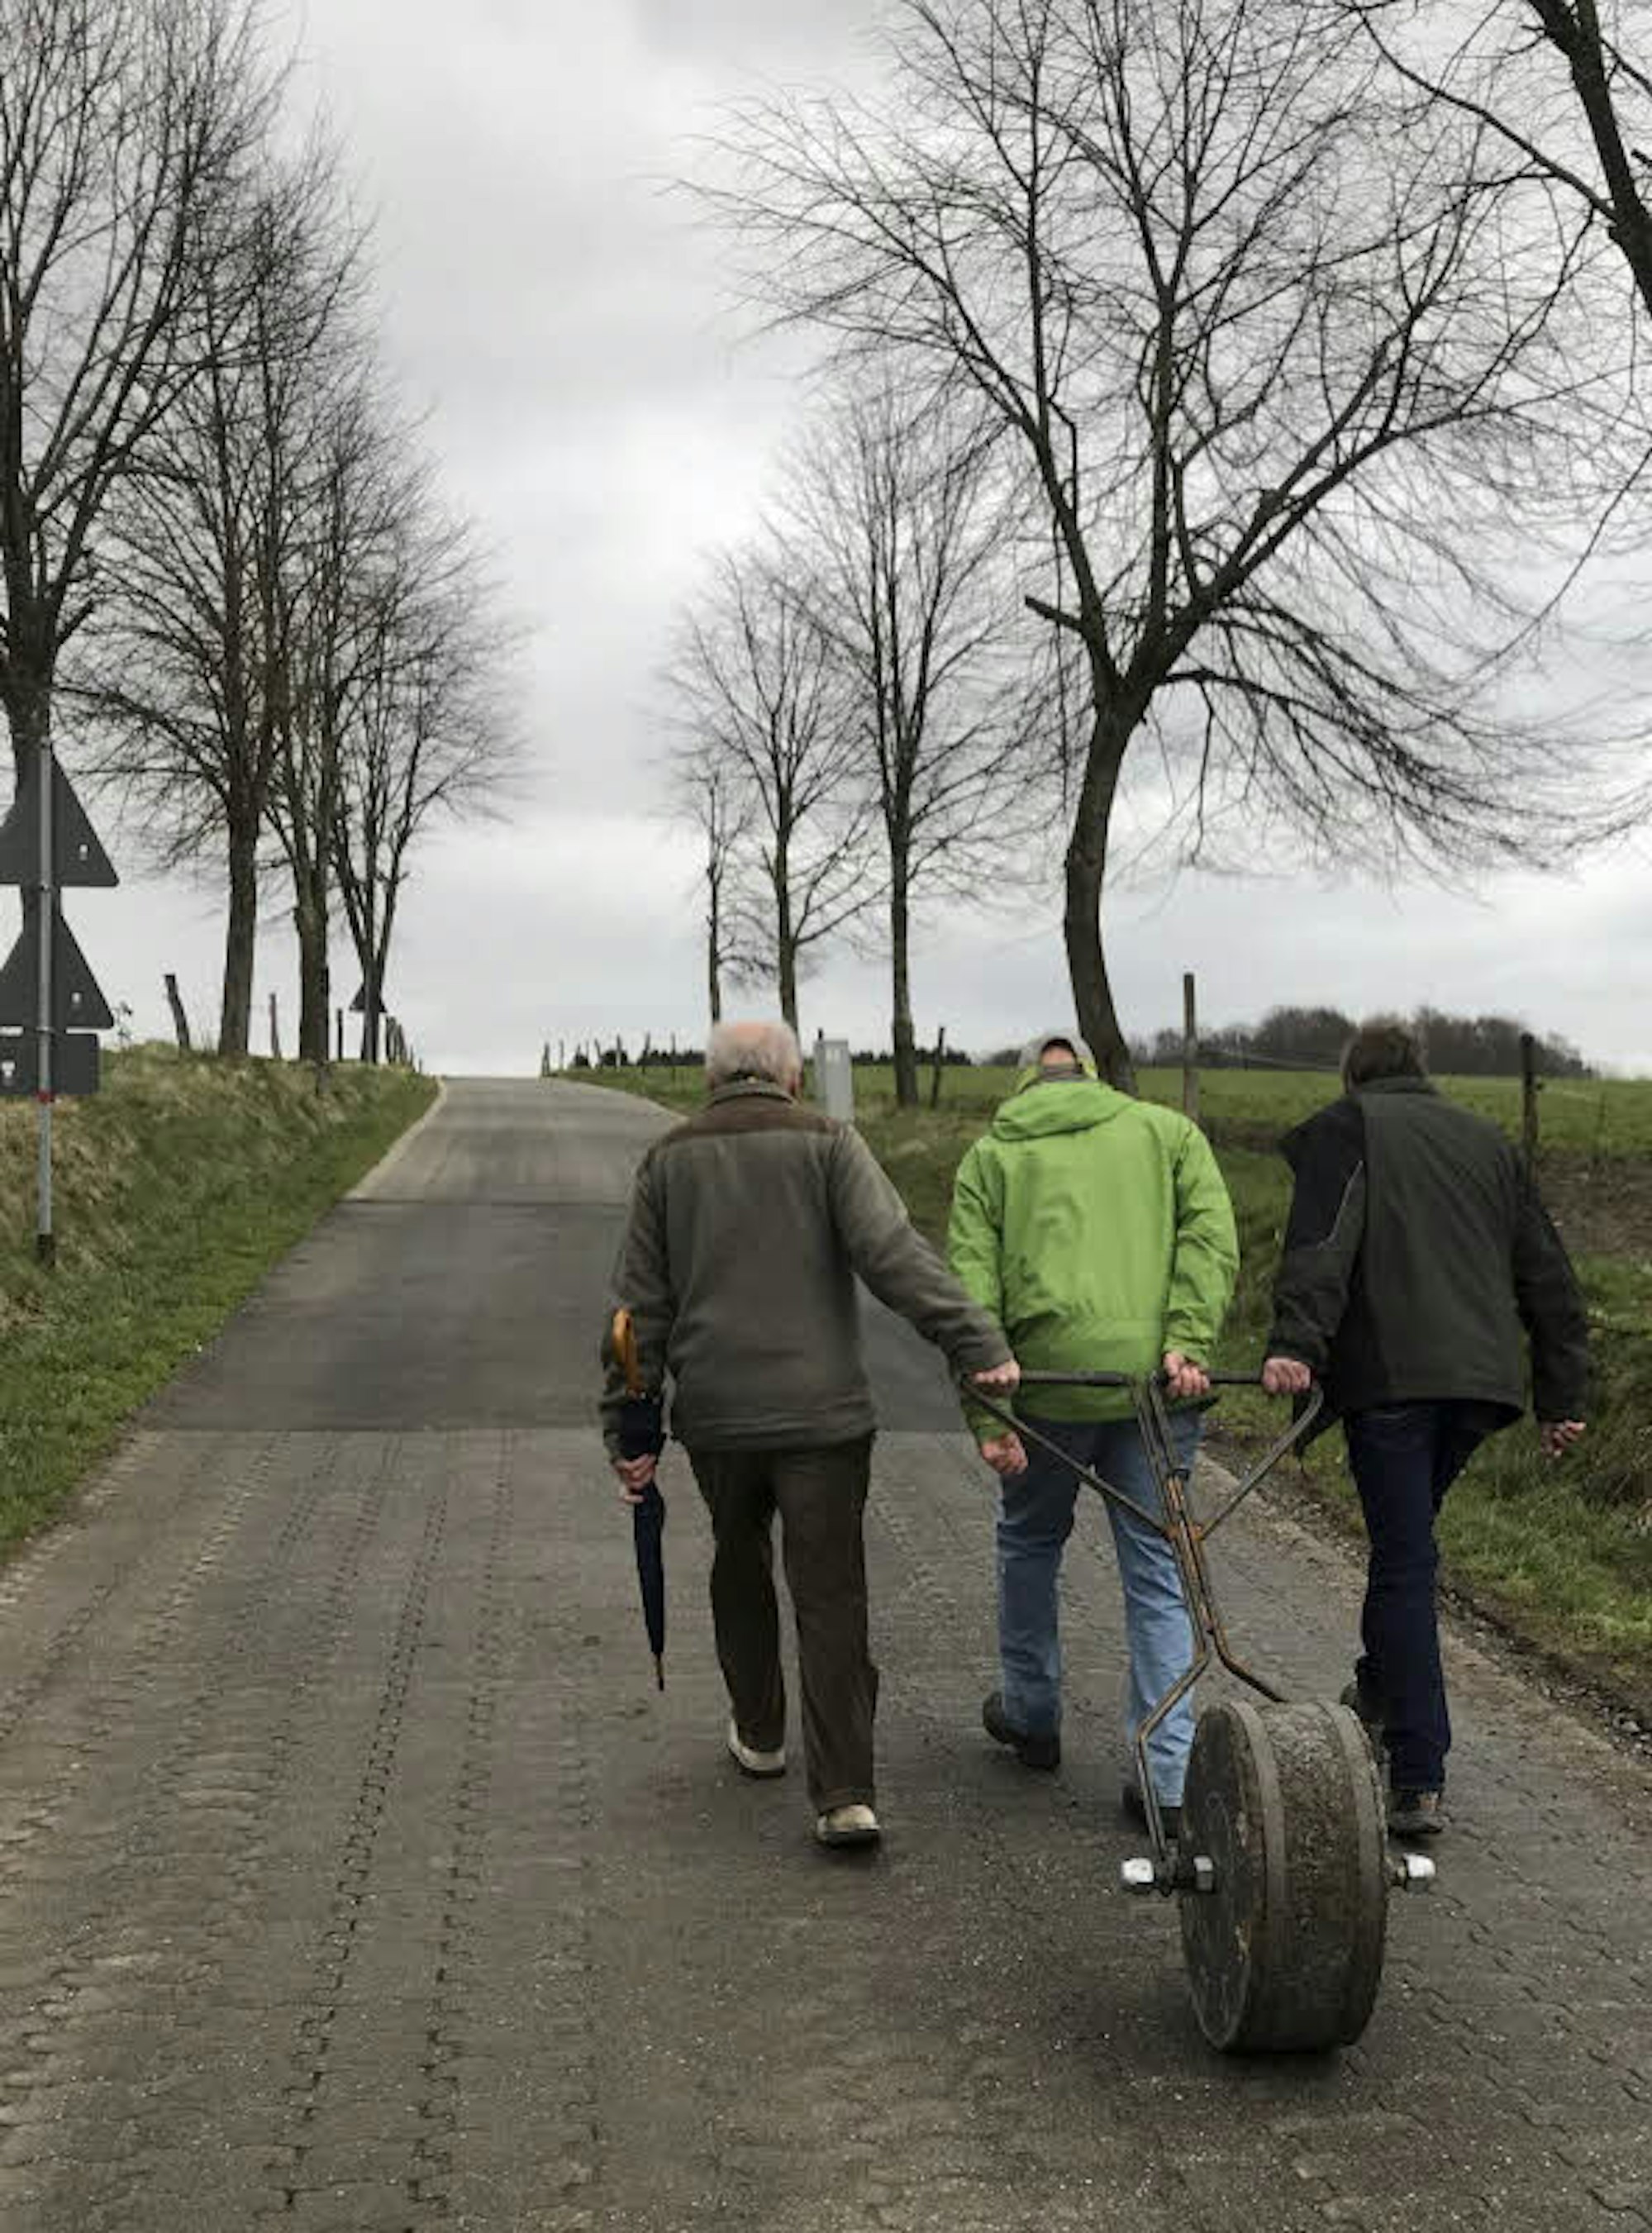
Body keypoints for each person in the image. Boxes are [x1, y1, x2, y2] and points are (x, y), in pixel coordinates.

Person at [601, 1019, 1019, 1851]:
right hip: (824, 1417)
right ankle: (844, 1794)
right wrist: (975, 1342)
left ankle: (760, 1731)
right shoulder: (830, 1143)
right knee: (830, 1592)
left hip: (718, 1414)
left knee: (737, 1562)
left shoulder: (668, 1160)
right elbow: (892, 1254)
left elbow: (636, 1310)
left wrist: (628, 1425)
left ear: (710, 1080)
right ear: (792, 1077)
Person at [1262, 1018, 1588, 1840]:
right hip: (1480, 1386)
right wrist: (1560, 1397)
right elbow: (1547, 1274)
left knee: (1404, 1561)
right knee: (1405, 1548)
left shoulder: (1350, 1125)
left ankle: (1417, 1772)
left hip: (1392, 1380)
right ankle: (1377, 1691)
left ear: (1353, 1076)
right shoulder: (1486, 1140)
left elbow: (1321, 1244)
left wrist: (1295, 1345)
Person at [946, 1031, 1239, 1840]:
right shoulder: (1167, 1133)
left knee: (1029, 1540)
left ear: (1022, 1085)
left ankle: (1032, 1713)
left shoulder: (990, 1158)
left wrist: (987, 1414)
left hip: (1042, 1388)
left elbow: (969, 1288)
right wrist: (1187, 1339)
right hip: (1155, 1390)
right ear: (1093, 1078)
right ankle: (1166, 1779)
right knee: (1158, 1570)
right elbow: (1209, 1237)